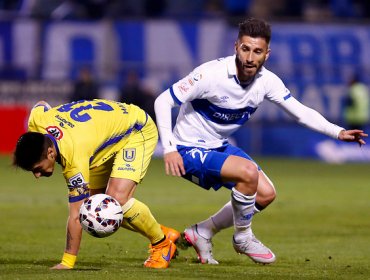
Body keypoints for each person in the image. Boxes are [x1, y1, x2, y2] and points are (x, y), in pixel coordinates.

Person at [154, 18, 367, 265]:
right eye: (245, 49)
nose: (250, 57)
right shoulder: (210, 75)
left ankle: (202, 232)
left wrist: (337, 132)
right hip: (187, 148)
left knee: (265, 194)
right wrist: (169, 149)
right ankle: (243, 237)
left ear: (267, 54)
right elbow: (163, 100)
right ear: (236, 47)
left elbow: (299, 111)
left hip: (217, 145)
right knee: (248, 173)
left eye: (257, 51)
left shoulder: (268, 81)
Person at [13, 99, 180, 269]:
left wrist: (67, 263)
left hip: (136, 129)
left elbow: (76, 216)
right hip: (101, 142)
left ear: (50, 152)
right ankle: (162, 233)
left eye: (38, 169)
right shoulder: (36, 122)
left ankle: (162, 245)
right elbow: (41, 105)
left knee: (115, 201)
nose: (37, 175)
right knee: (94, 209)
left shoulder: (74, 158)